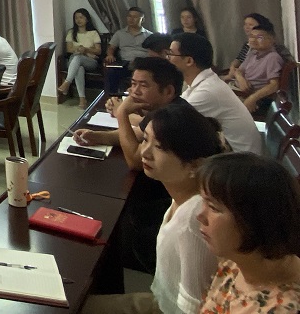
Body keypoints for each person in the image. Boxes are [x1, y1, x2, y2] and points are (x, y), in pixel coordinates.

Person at [82, 101, 224, 314]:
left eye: (160, 147)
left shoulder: (194, 219)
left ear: (194, 165)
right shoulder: (183, 196)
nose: (144, 153)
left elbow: (193, 307)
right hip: (160, 300)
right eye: (145, 140)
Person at [75, 56, 185, 273]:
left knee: (109, 212)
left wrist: (122, 113)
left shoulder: (173, 119)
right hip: (163, 194)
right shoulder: (164, 111)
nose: (134, 91)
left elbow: (136, 160)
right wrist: (98, 137)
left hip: (166, 203)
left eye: (143, 85)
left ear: (168, 91)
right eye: (133, 84)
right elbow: (138, 135)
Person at [197, 153, 300, 313]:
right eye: (203, 201)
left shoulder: (283, 308)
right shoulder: (235, 263)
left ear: (254, 221)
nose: (200, 216)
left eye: (213, 207)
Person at [168, 33, 262, 154]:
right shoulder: (204, 82)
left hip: (239, 160)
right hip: (232, 153)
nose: (167, 58)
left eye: (171, 54)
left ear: (189, 61)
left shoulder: (207, 92)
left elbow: (170, 123)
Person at [223, 20, 284, 113]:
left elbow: (274, 85)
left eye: (259, 37)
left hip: (246, 95)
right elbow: (239, 70)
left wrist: (252, 98)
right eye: (251, 36)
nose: (253, 40)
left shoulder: (273, 58)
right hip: (235, 88)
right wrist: (241, 79)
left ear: (272, 40)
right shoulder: (253, 53)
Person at [58, 7, 101, 109]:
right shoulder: (71, 32)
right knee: (79, 67)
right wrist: (81, 50)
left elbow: (98, 51)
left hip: (91, 61)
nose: (78, 20)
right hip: (74, 60)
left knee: (78, 58)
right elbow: (69, 49)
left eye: (81, 17)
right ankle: (82, 99)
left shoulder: (93, 33)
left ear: (87, 19)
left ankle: (67, 82)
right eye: (76, 18)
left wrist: (85, 50)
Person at [226, 13, 293, 73]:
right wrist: (233, 67)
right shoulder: (247, 45)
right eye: (245, 24)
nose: (246, 27)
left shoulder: (274, 49)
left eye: (250, 25)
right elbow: (239, 59)